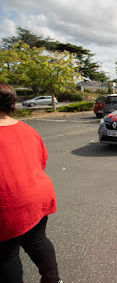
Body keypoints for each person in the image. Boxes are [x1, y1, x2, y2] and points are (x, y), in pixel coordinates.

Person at [0, 83, 62, 283]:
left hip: (9, 201)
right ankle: (53, 280)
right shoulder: (27, 129)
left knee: (6, 253)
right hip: (37, 193)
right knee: (37, 240)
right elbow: (41, 160)